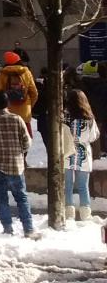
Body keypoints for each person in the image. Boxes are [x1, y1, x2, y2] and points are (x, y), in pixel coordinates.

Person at [0, 91, 37, 238]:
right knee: (22, 198)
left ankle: (7, 229)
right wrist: (20, 152)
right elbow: (27, 142)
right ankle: (28, 229)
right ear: (8, 104)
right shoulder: (17, 119)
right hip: (15, 165)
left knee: (1, 199)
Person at [64, 87, 100, 222]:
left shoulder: (64, 116)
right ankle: (85, 215)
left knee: (67, 185)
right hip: (83, 154)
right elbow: (94, 136)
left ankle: (69, 214)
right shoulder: (89, 118)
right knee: (83, 186)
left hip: (67, 152)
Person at [0, 52, 38, 136]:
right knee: (25, 141)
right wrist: (29, 105)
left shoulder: (2, 73)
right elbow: (34, 93)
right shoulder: (26, 72)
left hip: (8, 112)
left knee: (10, 139)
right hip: (25, 112)